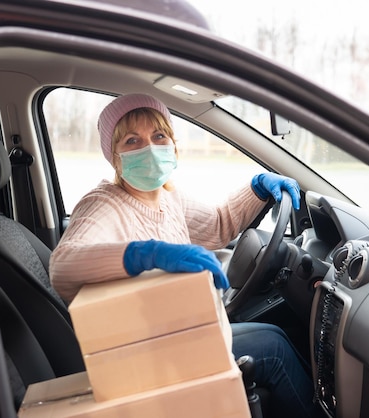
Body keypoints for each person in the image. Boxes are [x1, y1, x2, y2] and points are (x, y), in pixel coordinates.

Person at [50, 93, 314, 418]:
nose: (149, 147)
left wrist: (257, 189)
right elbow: (63, 267)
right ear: (114, 156)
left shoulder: (166, 197)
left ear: (173, 144)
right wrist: (145, 254)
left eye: (159, 136)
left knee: (273, 334)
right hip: (143, 353)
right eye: (133, 140)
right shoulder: (103, 204)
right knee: (274, 350)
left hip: (171, 334)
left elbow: (217, 225)